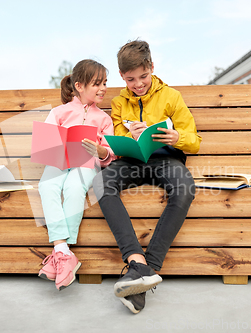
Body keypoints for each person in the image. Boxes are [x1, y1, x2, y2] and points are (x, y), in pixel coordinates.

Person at [93, 40, 202, 313]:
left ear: (152, 67)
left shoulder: (172, 97)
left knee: (185, 188)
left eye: (143, 77)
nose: (138, 84)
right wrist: (129, 136)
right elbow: (116, 137)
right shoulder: (119, 102)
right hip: (131, 160)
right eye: (131, 79)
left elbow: (194, 141)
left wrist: (177, 137)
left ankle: (143, 268)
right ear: (122, 77)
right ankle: (137, 261)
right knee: (101, 183)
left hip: (165, 160)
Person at [37, 59, 116, 290]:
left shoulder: (104, 119)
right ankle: (63, 251)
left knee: (73, 188)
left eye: (105, 83)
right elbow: (45, 145)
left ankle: (60, 252)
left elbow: (110, 154)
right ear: (79, 86)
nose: (102, 88)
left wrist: (100, 151)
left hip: (86, 164)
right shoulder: (58, 112)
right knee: (47, 186)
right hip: (59, 162)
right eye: (97, 83)